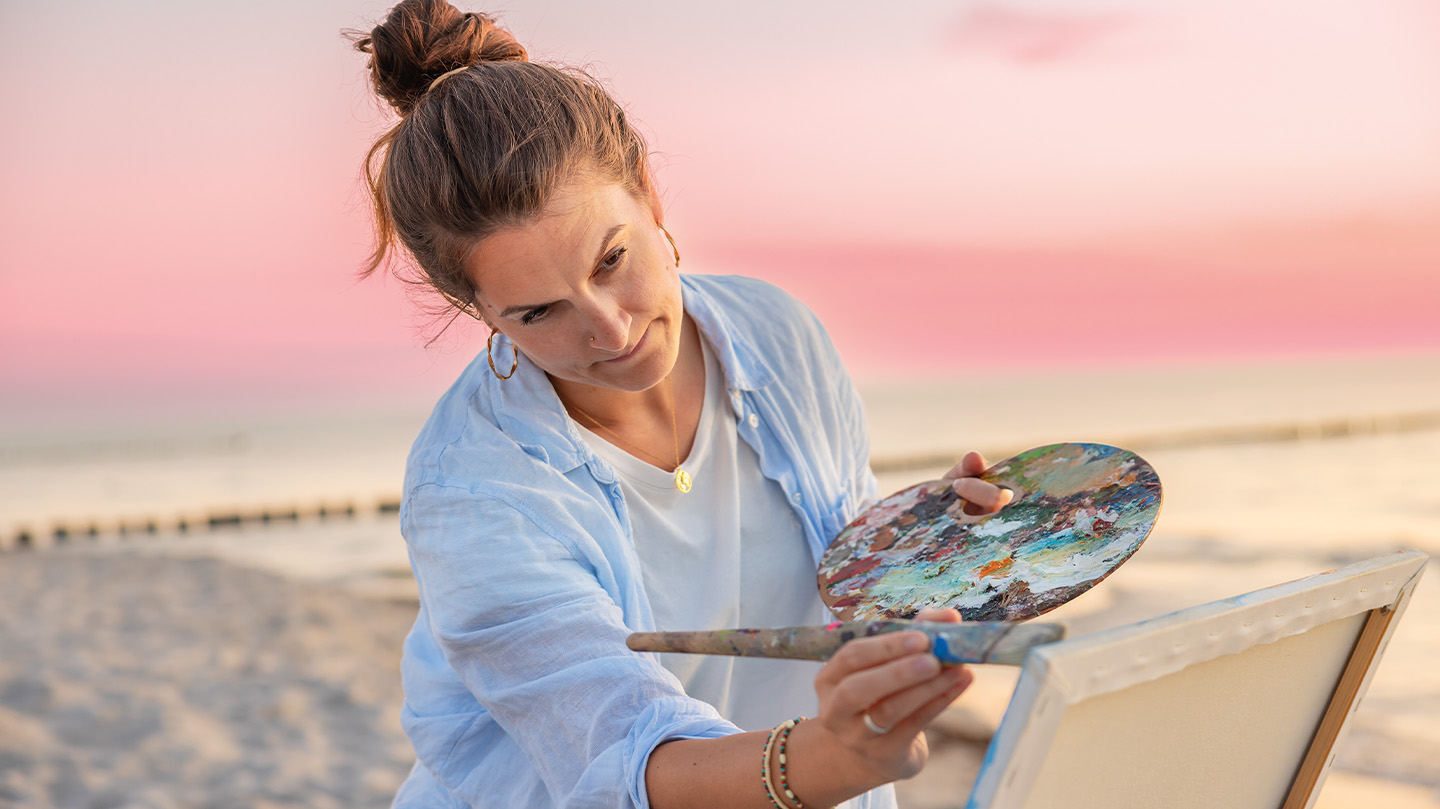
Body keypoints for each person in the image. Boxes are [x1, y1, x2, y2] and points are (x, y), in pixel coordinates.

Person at [351, 2, 1012, 806]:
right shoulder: (471, 495)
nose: (610, 328)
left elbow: (840, 574)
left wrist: (924, 541)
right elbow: (625, 763)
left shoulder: (775, 335)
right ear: (479, 311)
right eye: (539, 311)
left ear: (649, 194)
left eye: (611, 259)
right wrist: (836, 758)